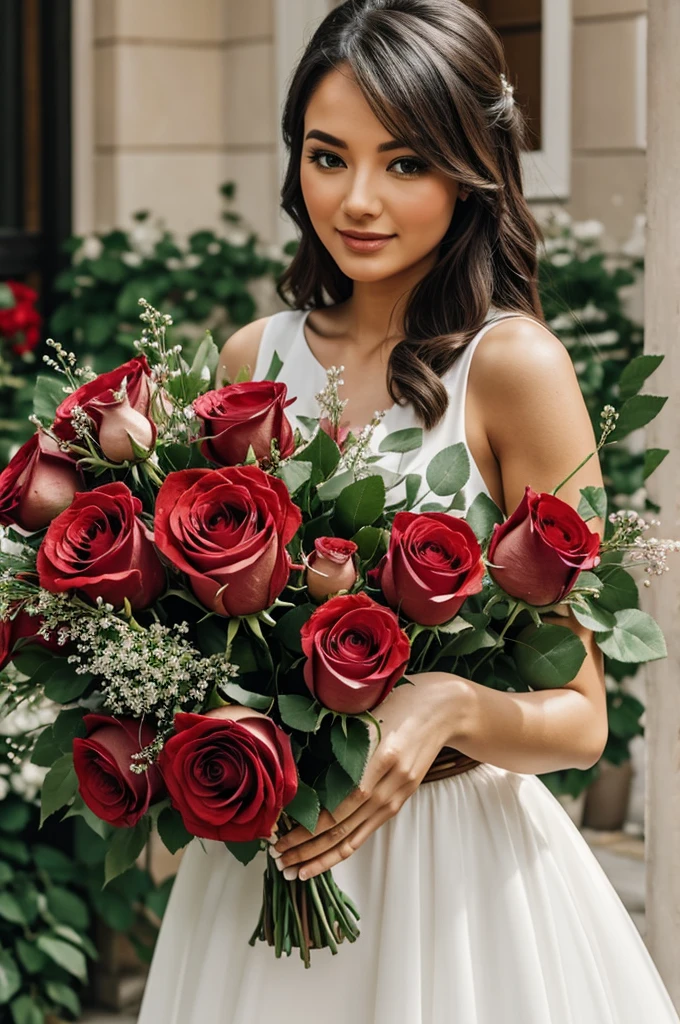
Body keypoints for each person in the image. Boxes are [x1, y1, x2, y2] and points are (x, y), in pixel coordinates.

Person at [137, 2, 680, 1021]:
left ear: (469, 169)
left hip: (454, 892)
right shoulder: (252, 361)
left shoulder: (512, 366)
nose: (356, 200)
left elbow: (581, 717)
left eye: (403, 164)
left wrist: (448, 705)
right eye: (326, 156)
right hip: (269, 866)